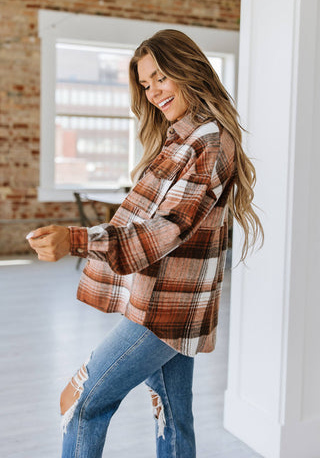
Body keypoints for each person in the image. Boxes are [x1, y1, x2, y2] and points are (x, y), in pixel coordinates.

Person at [27, 29, 263, 458]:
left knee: (81, 402)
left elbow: (168, 227)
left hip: (166, 312)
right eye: (145, 84)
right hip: (165, 304)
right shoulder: (181, 138)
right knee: (172, 418)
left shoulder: (209, 143)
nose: (153, 92)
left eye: (160, 78)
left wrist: (77, 239)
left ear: (187, 70)